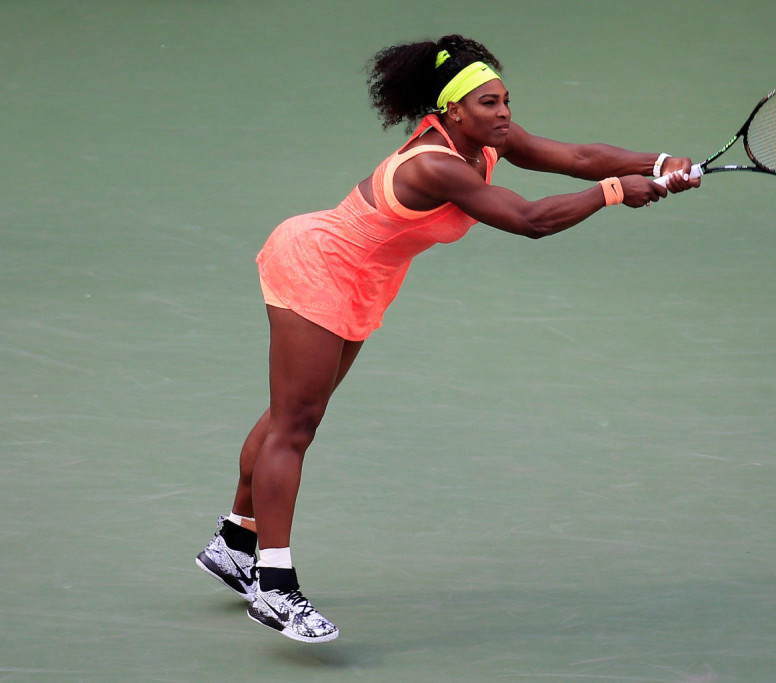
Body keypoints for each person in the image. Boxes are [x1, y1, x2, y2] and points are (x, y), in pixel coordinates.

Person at [196, 34, 700, 643]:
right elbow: (529, 220)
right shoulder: (435, 164)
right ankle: (274, 588)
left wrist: (655, 163)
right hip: (320, 267)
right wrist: (615, 192)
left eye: (506, 100)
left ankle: (234, 542)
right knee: (295, 427)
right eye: (488, 103)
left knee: (293, 413)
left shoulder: (488, 140)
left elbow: (577, 155)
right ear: (452, 110)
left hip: (365, 279)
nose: (504, 113)